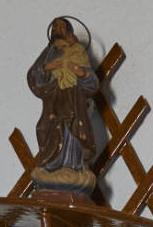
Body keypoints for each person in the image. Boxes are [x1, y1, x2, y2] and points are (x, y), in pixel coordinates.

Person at [28, 18, 100, 196]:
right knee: (47, 128)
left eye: (61, 26)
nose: (57, 29)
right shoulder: (49, 52)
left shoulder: (78, 50)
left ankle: (72, 166)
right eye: (55, 27)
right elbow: (34, 74)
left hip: (73, 97)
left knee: (73, 130)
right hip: (54, 98)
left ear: (68, 29)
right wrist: (47, 68)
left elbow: (92, 82)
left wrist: (81, 72)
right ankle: (51, 166)